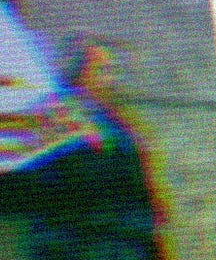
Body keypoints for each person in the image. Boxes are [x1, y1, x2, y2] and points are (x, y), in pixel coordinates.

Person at [0, 32, 167, 259]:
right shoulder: (53, 122)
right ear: (79, 72)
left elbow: (139, 193)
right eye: (102, 70)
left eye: (113, 71)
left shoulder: (116, 127)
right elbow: (24, 188)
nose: (111, 80)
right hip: (75, 244)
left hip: (122, 244)